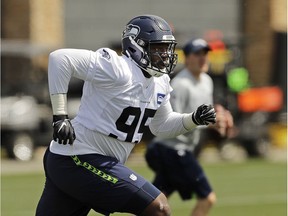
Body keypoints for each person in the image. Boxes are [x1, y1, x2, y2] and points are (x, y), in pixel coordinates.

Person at [36, 15, 216, 216]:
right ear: (135, 46)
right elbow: (60, 58)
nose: (165, 55)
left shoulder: (160, 81)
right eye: (157, 48)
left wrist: (193, 119)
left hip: (71, 160)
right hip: (78, 156)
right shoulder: (118, 68)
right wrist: (60, 117)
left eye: (167, 48)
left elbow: (161, 125)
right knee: (159, 208)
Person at [145, 38, 233, 216]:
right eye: (197, 54)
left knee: (155, 202)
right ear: (187, 58)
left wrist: (220, 117)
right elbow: (173, 122)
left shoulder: (207, 81)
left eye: (205, 54)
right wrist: (209, 125)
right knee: (207, 198)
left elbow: (206, 114)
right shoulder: (180, 85)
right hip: (171, 150)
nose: (203, 58)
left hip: (182, 150)